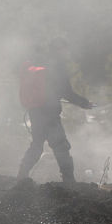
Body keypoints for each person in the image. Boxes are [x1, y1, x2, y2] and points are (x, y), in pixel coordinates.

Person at [17, 36, 93, 184]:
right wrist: (85, 103)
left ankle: (21, 176)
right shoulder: (57, 65)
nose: (67, 52)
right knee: (61, 146)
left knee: (37, 145)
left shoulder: (39, 61)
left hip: (35, 111)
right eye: (65, 49)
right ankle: (69, 181)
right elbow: (67, 92)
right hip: (49, 113)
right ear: (60, 49)